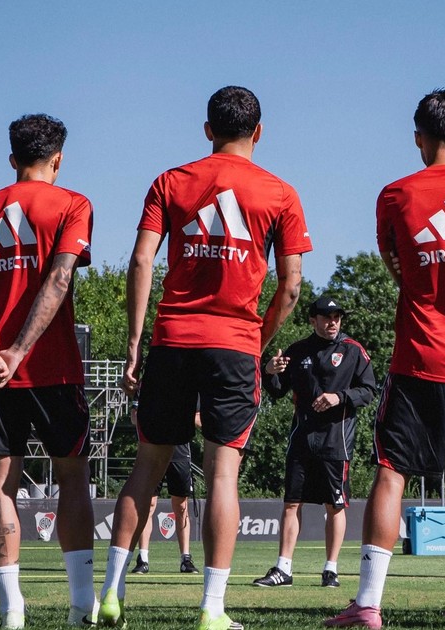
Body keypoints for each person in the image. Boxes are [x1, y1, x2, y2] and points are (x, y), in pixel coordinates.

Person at [100, 85, 310, 630]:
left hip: (172, 340)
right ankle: (212, 608)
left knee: (146, 468)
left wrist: (133, 345)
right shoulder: (280, 193)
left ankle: (111, 594)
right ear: (258, 132)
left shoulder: (170, 181)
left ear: (208, 129)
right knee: (222, 477)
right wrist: (257, 343)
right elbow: (291, 287)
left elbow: (141, 262)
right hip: (234, 345)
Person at [326, 90, 445, 629]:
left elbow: (395, 264)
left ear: (418, 138)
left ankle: (368, 605)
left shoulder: (395, 195)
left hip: (420, 360)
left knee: (392, 475)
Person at [0, 114, 96, 628]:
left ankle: (12, 610)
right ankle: (82, 605)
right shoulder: (73, 204)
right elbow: (58, 280)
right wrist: (18, 351)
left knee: (0, 483)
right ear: (57, 159)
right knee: (73, 477)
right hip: (53, 366)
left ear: (12, 158)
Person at [252, 295, 376, 589]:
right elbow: (278, 391)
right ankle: (283, 569)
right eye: (326, 317)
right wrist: (268, 372)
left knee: (335, 505)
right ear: (313, 320)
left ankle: (331, 570)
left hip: (336, 440)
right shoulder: (298, 351)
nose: (332, 322)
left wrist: (339, 397)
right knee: (291, 503)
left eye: (336, 318)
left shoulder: (353, 350)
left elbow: (369, 390)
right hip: (302, 439)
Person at [129, 403, 198, 576]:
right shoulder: (148, 387)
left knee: (181, 505)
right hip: (153, 450)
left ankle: (185, 559)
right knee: (149, 504)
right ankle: (143, 558)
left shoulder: (187, 389)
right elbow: (134, 417)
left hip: (179, 451)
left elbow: (199, 418)